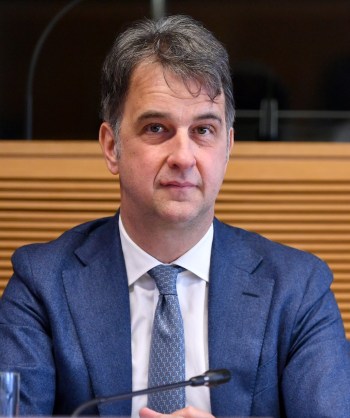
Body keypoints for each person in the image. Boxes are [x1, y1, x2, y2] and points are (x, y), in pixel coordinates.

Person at [0, 14, 349, 418]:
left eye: (203, 131)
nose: (183, 157)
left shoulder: (298, 290)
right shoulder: (41, 285)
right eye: (156, 128)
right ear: (112, 146)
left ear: (228, 147)